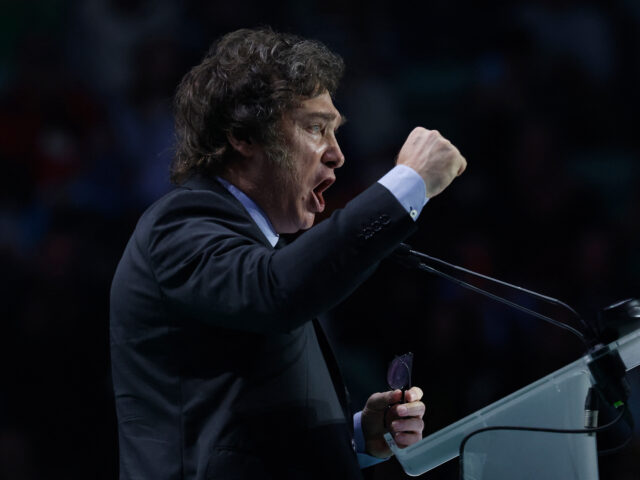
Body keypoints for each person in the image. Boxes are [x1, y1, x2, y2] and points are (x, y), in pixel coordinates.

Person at [110, 28, 466, 480]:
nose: (337, 154)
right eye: (316, 128)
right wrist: (406, 185)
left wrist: (356, 437)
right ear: (243, 135)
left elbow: (239, 422)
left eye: (335, 132)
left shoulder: (258, 250)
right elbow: (274, 291)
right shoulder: (178, 225)